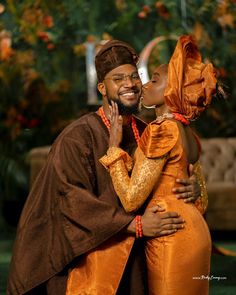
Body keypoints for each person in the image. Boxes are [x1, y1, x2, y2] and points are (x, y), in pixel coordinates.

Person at [7, 39, 203, 295]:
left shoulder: (150, 132)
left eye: (134, 77)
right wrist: (134, 225)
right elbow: (69, 198)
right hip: (91, 259)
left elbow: (180, 172)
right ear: (102, 87)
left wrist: (194, 188)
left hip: (142, 256)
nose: (129, 85)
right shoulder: (77, 137)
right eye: (118, 79)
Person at [100, 35, 216, 295]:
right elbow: (201, 201)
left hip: (171, 235)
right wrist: (196, 189)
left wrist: (113, 150)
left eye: (153, 79)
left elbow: (130, 199)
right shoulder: (188, 132)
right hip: (195, 231)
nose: (143, 85)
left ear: (171, 89)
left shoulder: (161, 130)